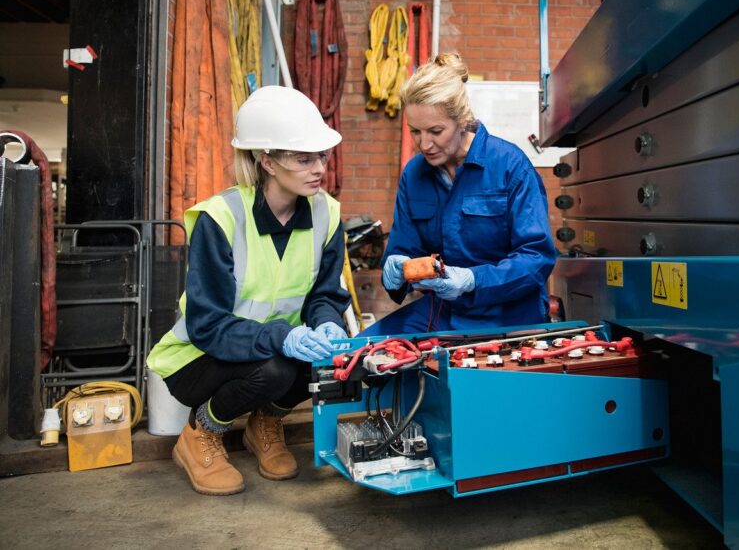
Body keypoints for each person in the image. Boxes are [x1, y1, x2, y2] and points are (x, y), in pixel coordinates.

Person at [147, 85, 351, 496]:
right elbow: (207, 324)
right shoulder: (221, 218)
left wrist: (328, 324)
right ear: (267, 160)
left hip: (269, 348)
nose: (318, 169)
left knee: (330, 363)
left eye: (322, 156)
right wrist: (284, 336)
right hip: (200, 357)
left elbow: (324, 295)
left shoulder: (326, 213)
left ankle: (264, 425)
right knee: (274, 369)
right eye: (303, 157)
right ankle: (199, 433)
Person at [363, 53, 557, 335]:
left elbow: (536, 258)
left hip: (511, 312)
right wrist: (396, 267)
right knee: (366, 355)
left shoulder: (509, 167)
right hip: (445, 310)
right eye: (415, 131)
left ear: (462, 120)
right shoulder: (414, 175)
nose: (424, 144)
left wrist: (472, 280)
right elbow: (404, 249)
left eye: (436, 131)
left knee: (479, 376)